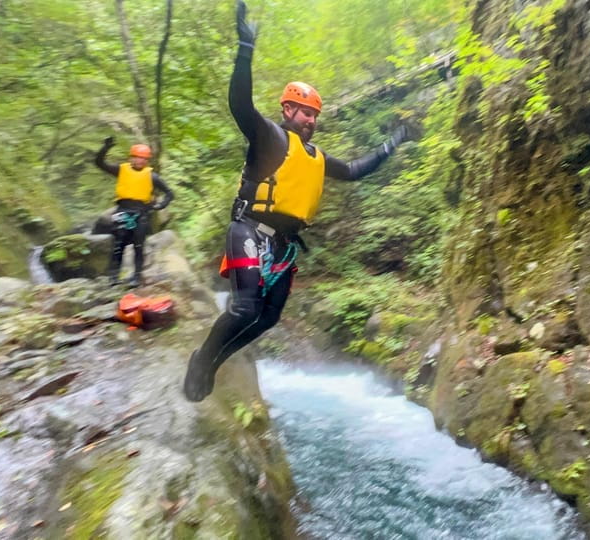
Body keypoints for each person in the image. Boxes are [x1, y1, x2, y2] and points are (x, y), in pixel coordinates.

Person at [182, 0, 409, 401]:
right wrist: (245, 48)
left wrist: (392, 143)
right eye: (304, 112)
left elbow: (355, 170)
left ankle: (214, 361)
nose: (311, 119)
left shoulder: (318, 157)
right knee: (245, 309)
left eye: (314, 114)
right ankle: (203, 360)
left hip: (284, 245)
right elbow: (240, 105)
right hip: (249, 229)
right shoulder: (269, 136)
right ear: (287, 109)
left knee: (268, 318)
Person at [94, 137, 175, 287]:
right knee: (119, 244)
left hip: (142, 213)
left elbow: (170, 193)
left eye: (143, 158)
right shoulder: (121, 170)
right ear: (131, 157)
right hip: (123, 210)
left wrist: (160, 206)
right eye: (137, 157)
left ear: (147, 160)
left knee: (139, 245)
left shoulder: (152, 176)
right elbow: (99, 163)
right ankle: (113, 277)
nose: (139, 161)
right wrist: (105, 148)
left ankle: (137, 277)